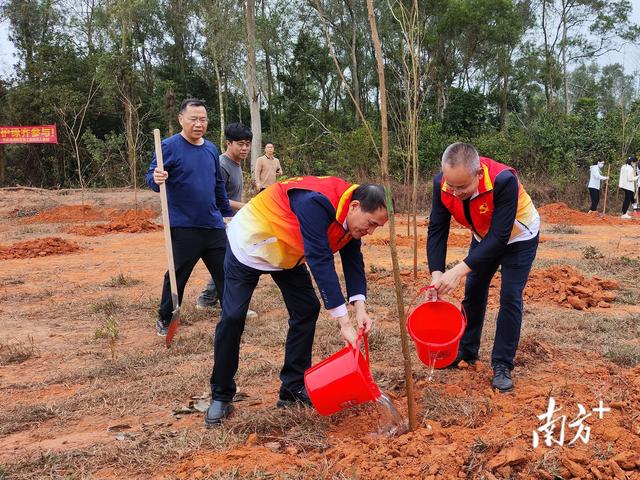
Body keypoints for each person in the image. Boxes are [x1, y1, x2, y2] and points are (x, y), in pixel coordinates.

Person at [205, 177, 388, 426]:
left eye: (377, 227)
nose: (371, 231)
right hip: (250, 243)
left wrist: (360, 309)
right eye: (371, 224)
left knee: (306, 307)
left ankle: (292, 389)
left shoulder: (350, 215)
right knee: (233, 316)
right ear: (355, 206)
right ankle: (221, 395)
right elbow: (320, 259)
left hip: (287, 252)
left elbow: (352, 258)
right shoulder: (317, 203)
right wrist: (344, 322)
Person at [426, 142, 540, 393]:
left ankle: (502, 365)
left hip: (518, 236)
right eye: (450, 186)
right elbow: (437, 228)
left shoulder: (503, 180)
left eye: (462, 187)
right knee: (474, 290)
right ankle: (467, 350)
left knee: (510, 296)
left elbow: (499, 238)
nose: (455, 193)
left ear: (478, 174)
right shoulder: (442, 185)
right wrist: (437, 274)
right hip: (483, 234)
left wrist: (457, 271)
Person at [146, 98, 233, 336]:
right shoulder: (169, 146)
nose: (198, 124)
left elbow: (217, 185)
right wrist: (156, 178)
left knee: (225, 271)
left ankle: (231, 314)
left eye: (203, 119)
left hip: (213, 224)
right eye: (193, 119)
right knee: (177, 274)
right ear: (181, 119)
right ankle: (166, 317)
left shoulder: (211, 149)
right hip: (184, 225)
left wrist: (226, 213)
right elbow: (151, 178)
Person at [195, 123, 257, 320]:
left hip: (233, 223)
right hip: (220, 222)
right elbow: (213, 197)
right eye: (240, 144)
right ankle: (230, 304)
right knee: (232, 264)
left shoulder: (236, 164)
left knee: (225, 264)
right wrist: (245, 206)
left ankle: (207, 299)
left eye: (247, 144)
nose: (245, 148)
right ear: (228, 143)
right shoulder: (221, 165)